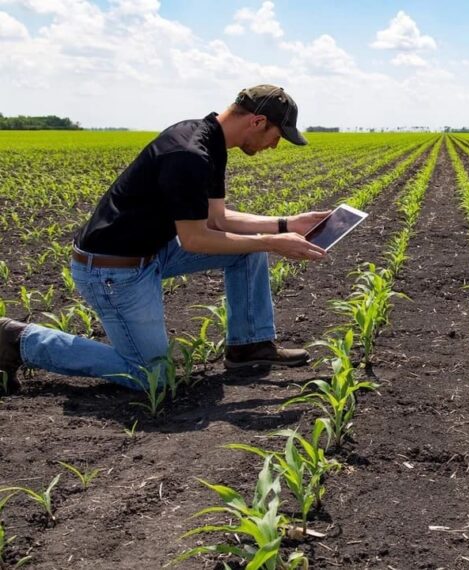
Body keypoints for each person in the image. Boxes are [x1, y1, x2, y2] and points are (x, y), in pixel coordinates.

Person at [0, 84, 330, 394]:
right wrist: (271, 242)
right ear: (258, 121)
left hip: (152, 251)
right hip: (112, 271)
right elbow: (195, 240)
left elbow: (218, 219)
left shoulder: (211, 142)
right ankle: (18, 341)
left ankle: (248, 347)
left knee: (247, 252)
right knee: (150, 375)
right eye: (277, 136)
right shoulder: (189, 154)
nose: (274, 145)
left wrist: (288, 224)